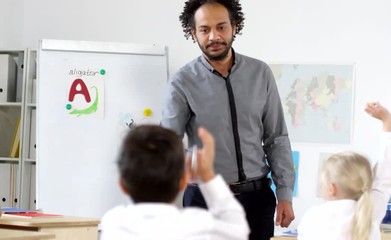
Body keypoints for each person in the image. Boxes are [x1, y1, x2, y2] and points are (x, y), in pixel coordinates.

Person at [160, 0, 295, 239]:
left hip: (257, 201)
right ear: (193, 34)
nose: (214, 36)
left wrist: (285, 194)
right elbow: (167, 145)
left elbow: (276, 138)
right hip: (204, 202)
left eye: (221, 27)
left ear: (234, 27)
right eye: (204, 29)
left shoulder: (260, 73)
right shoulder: (182, 82)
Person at [100, 125, 250, 240]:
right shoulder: (200, 224)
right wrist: (207, 175)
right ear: (184, 181)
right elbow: (238, 228)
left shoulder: (113, 223)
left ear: (122, 185)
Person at [297, 102, 391, 240]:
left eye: (322, 184)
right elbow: (386, 173)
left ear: (332, 188)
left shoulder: (313, 218)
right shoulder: (370, 209)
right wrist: (387, 120)